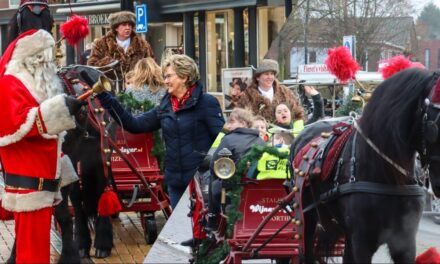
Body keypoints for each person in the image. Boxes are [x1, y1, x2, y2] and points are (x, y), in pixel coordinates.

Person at [0, 29, 85, 263]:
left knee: (37, 252)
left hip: (43, 182)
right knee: (32, 254)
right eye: (49, 57)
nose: (52, 63)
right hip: (29, 185)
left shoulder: (33, 85)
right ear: (35, 58)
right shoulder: (10, 83)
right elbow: (16, 125)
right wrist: (58, 109)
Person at [96, 54, 225, 208]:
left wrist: (208, 168)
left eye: (169, 76)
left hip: (202, 181)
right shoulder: (165, 106)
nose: (165, 81)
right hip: (175, 182)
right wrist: (106, 100)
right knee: (182, 230)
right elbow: (134, 124)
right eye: (164, 77)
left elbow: (221, 140)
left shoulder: (207, 102)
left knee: (201, 229)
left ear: (184, 77)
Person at [88, 11, 154, 90]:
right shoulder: (101, 43)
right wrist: (110, 63)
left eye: (129, 25)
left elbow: (151, 65)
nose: (127, 28)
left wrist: (139, 77)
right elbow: (92, 65)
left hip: (136, 89)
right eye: (124, 25)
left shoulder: (142, 45)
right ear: (116, 28)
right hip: (109, 89)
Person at [237, 59, 304, 127]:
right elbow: (240, 119)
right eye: (266, 74)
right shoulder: (247, 96)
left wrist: (295, 133)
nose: (270, 77)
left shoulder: (285, 92)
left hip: (283, 135)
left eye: (272, 74)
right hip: (258, 135)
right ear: (257, 77)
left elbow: (298, 114)